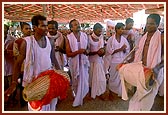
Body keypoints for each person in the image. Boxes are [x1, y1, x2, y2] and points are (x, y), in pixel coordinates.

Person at [5, 14, 60, 111]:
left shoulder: (50, 41)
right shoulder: (26, 43)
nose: (46, 28)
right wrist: (14, 83)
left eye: (46, 25)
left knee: (51, 106)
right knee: (38, 109)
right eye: (43, 26)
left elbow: (53, 59)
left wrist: (61, 75)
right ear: (34, 27)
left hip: (48, 81)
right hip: (33, 83)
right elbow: (17, 64)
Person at [120, 13, 163, 111]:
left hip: (154, 72)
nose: (148, 26)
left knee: (146, 102)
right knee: (136, 99)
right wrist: (130, 62)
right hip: (141, 71)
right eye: (147, 23)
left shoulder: (161, 38)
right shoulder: (144, 37)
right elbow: (138, 52)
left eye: (151, 24)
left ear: (158, 24)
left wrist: (157, 68)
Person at [66, 19, 90, 107]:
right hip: (74, 63)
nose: (78, 25)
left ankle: (81, 97)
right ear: (71, 28)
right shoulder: (69, 37)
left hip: (83, 62)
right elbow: (68, 53)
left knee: (84, 81)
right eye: (75, 25)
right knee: (76, 81)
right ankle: (77, 97)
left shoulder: (84, 35)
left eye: (78, 24)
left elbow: (88, 49)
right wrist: (78, 52)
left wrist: (86, 51)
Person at [106, 22, 130, 99]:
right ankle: (111, 93)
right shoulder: (111, 39)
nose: (123, 30)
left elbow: (127, 50)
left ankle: (120, 93)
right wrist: (120, 49)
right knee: (113, 77)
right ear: (117, 29)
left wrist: (124, 50)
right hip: (113, 61)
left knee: (121, 78)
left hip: (122, 60)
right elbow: (109, 51)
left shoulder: (124, 39)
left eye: (123, 29)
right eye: (121, 29)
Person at [13, 22, 31, 107]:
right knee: (23, 85)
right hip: (23, 67)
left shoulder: (33, 40)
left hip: (31, 67)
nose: (28, 30)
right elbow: (15, 54)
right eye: (26, 28)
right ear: (22, 30)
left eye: (29, 28)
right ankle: (23, 102)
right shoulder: (18, 41)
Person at [88, 23, 106, 100]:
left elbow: (104, 48)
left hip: (99, 61)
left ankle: (100, 92)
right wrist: (96, 52)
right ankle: (91, 93)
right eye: (98, 31)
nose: (100, 33)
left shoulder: (102, 37)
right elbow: (86, 52)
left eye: (101, 31)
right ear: (94, 30)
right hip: (91, 61)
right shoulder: (88, 38)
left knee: (101, 79)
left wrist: (103, 52)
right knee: (91, 79)